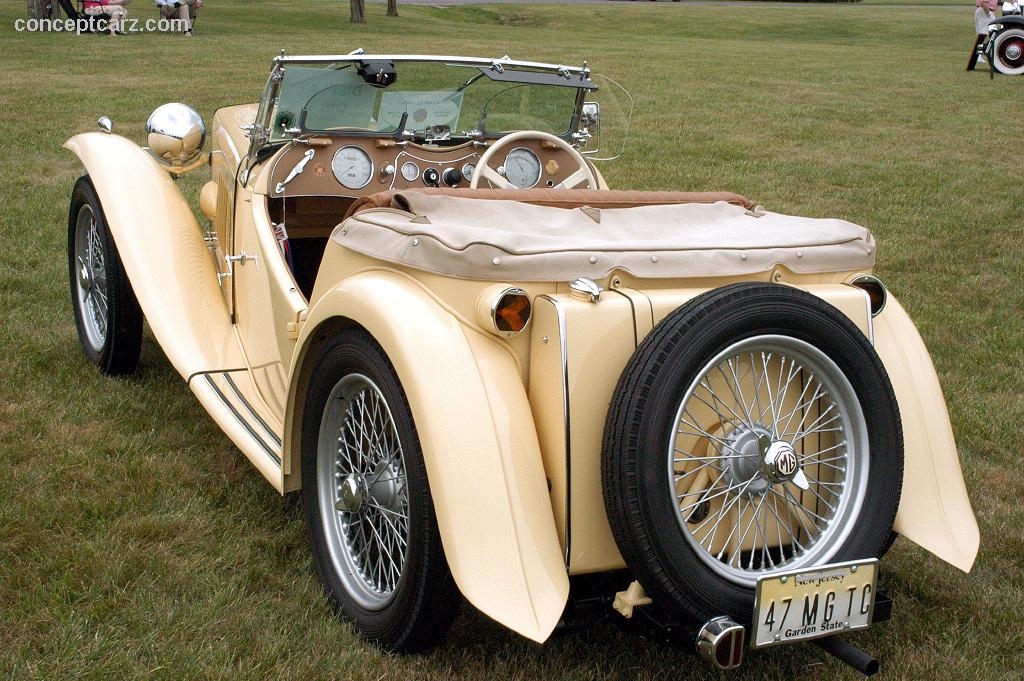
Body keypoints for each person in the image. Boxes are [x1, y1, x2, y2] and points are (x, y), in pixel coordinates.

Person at [968, 0, 998, 69]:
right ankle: (978, 56)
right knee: (982, 35)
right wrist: (989, 14)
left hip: (984, 11)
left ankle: (979, 55)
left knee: (982, 36)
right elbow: (984, 2)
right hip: (985, 11)